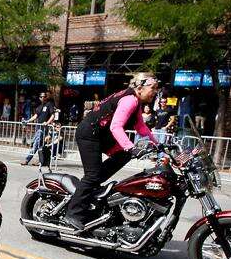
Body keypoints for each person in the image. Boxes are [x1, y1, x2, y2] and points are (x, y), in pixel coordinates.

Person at [63, 73, 160, 231]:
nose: (155, 92)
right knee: (92, 175)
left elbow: (141, 128)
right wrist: (131, 146)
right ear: (140, 88)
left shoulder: (136, 102)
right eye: (153, 88)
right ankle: (73, 213)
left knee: (123, 155)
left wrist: (159, 145)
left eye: (156, 88)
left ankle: (92, 191)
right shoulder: (130, 100)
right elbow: (116, 126)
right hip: (90, 134)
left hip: (101, 135)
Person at [20, 92, 56, 165]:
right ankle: (41, 161)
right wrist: (27, 121)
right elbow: (35, 116)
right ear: (39, 98)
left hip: (43, 128)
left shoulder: (49, 104)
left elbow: (53, 115)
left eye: (44, 96)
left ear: (46, 97)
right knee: (40, 145)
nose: (43, 98)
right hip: (38, 128)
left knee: (36, 144)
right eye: (41, 96)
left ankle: (27, 160)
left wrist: (47, 122)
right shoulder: (39, 107)